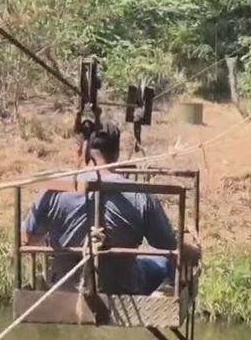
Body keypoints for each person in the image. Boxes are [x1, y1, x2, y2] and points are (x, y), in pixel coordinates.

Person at [22, 119, 200, 295]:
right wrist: (196, 252)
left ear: (80, 150)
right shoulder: (139, 195)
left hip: (64, 285)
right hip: (122, 288)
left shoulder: (54, 189)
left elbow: (26, 239)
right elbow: (170, 248)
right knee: (164, 262)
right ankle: (165, 290)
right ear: (116, 154)